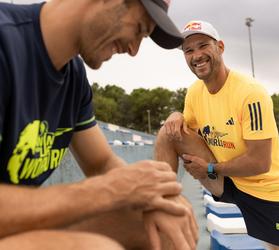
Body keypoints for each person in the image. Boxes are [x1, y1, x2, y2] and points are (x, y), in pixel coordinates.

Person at [0, 1, 199, 250]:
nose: (134, 49)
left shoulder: (73, 76)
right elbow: (106, 183)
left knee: (164, 224)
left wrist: (154, 197)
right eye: (139, 29)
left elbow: (101, 163)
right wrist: (107, 191)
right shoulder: (5, 40)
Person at [155, 20, 279, 250]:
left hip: (262, 187)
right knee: (167, 132)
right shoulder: (194, 92)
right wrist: (175, 114)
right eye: (189, 50)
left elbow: (260, 163)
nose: (196, 55)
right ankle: (164, 210)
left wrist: (210, 169)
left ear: (220, 47)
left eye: (203, 46)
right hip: (226, 180)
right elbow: (184, 132)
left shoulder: (250, 93)